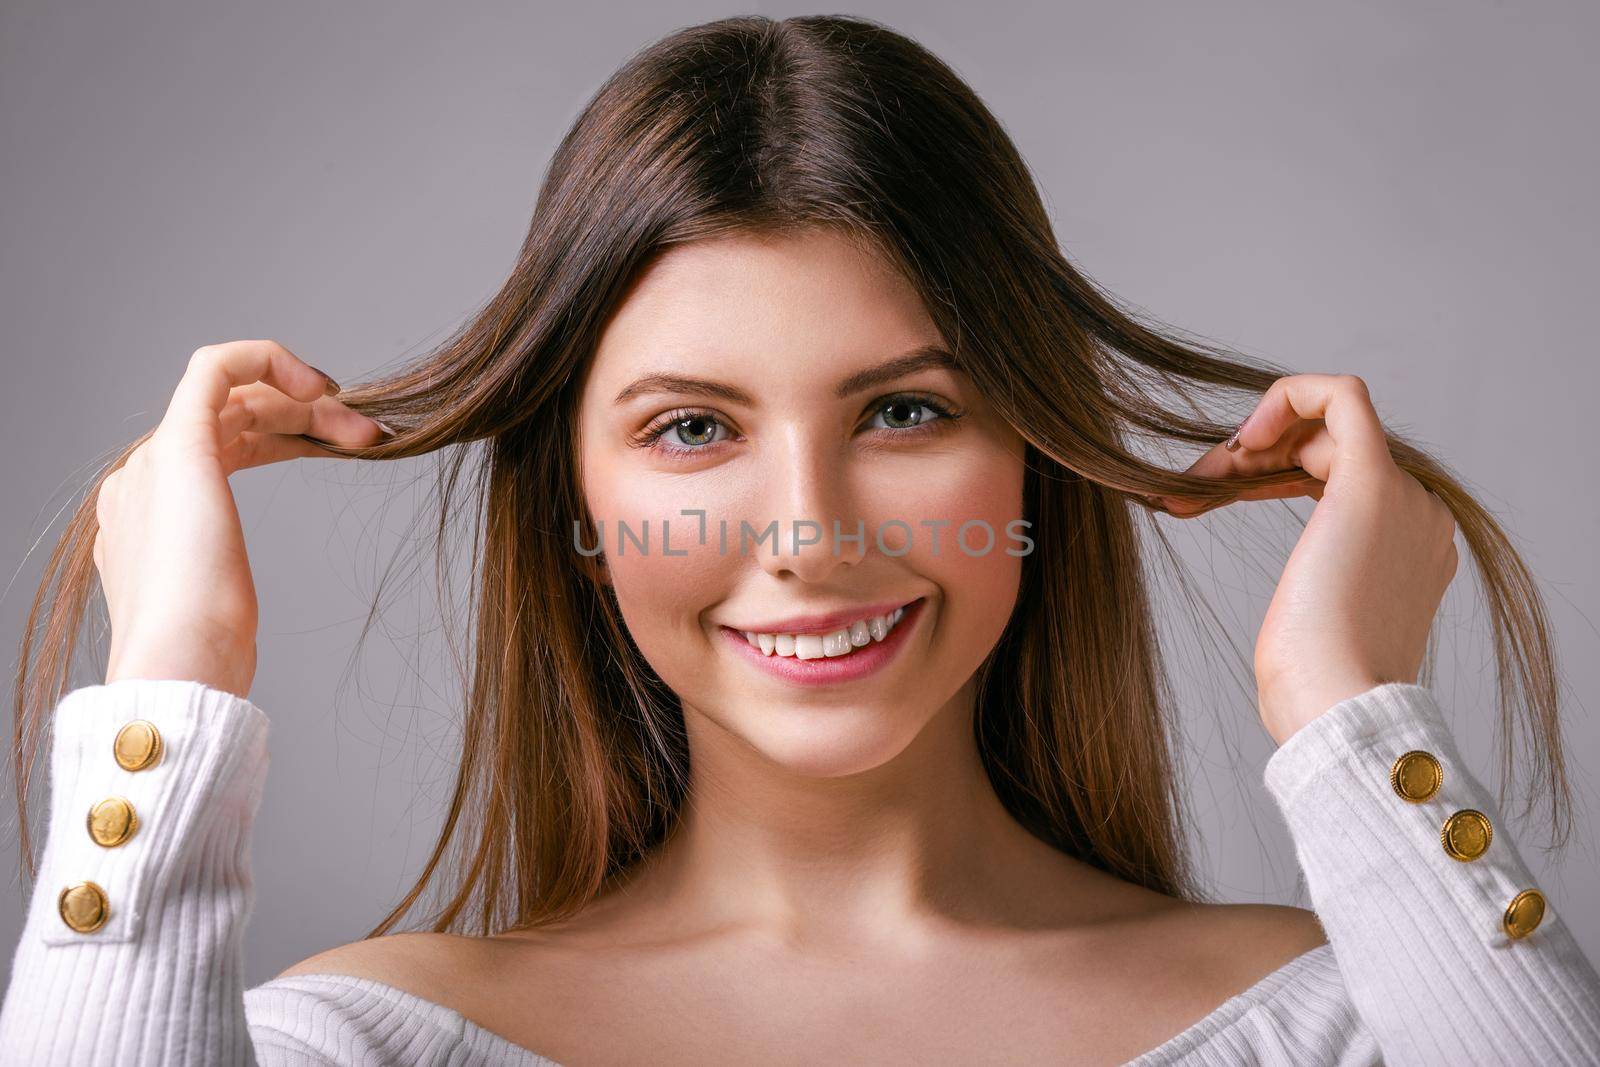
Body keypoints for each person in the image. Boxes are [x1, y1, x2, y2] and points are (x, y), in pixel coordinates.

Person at [3, 13, 1598, 1067]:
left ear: (1034, 456)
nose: (812, 532)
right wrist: (167, 684)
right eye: (693, 429)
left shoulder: (1350, 1020)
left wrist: (1348, 709)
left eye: (905, 414)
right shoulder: (350, 1049)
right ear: (577, 514)